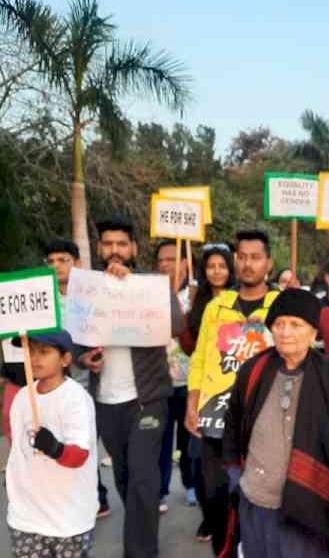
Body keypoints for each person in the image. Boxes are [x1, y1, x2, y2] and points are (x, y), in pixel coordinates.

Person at [222, 288, 329, 557]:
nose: (285, 332)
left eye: (295, 324)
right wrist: (236, 478)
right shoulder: (253, 370)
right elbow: (233, 426)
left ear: (314, 332)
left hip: (308, 509)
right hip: (255, 502)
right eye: (279, 324)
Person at [75, 214, 184, 558]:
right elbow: (76, 343)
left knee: (143, 479)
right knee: (123, 477)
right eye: (108, 243)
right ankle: (141, 529)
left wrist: (134, 285)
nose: (115, 250)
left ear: (134, 248)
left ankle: (140, 552)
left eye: (122, 243)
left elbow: (178, 324)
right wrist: (83, 359)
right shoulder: (88, 288)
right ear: (99, 248)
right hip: (106, 402)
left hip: (146, 400)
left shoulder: (151, 285)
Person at [186, 229, 280, 555]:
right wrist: (192, 400)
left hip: (264, 425)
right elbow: (199, 357)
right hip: (216, 421)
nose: (247, 264)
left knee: (257, 504)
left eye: (255, 257)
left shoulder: (280, 307)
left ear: (268, 262)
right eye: (242, 257)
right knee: (214, 498)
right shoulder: (217, 307)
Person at [7, 331, 98, 558]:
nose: (35, 358)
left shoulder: (75, 398)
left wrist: (55, 448)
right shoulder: (21, 397)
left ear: (65, 359)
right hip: (26, 518)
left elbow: (79, 456)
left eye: (44, 352)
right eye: (30, 351)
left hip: (68, 520)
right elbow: (18, 448)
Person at [45, 238, 111, 519]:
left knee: (84, 440)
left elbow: (103, 332)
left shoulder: (92, 296)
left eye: (63, 260)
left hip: (89, 381)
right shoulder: (43, 299)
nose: (56, 266)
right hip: (54, 382)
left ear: (78, 264)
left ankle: (97, 497)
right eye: (50, 261)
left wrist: (88, 356)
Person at [184, 242, 237, 544]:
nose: (216, 271)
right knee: (200, 463)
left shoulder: (243, 303)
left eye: (222, 265)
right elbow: (194, 351)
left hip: (231, 396)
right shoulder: (202, 302)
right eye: (211, 266)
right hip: (203, 396)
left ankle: (229, 523)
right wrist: (188, 311)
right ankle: (212, 518)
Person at [155, 240, 196, 513]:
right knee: (160, 440)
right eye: (162, 260)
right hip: (159, 381)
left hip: (190, 380)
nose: (166, 265)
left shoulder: (196, 294)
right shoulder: (150, 293)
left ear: (185, 263)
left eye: (173, 259)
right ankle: (160, 491)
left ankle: (191, 484)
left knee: (188, 440)